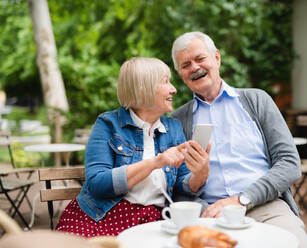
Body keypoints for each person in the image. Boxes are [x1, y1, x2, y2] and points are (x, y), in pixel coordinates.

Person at [170, 31, 307, 247]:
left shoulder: (256, 100)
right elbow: (175, 186)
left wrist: (242, 199)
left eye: (200, 59)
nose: (194, 68)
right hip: (208, 213)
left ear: (216, 58)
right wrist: (196, 179)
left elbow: (290, 164)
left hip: (265, 207)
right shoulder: (177, 120)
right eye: (185, 65)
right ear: (180, 73)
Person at [56, 57, 210, 237]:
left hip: (152, 220)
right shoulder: (108, 124)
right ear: (144, 87)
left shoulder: (173, 128)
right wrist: (156, 162)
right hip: (100, 216)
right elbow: (97, 183)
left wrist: (200, 173)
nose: (173, 89)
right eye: (165, 82)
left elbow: (182, 187)